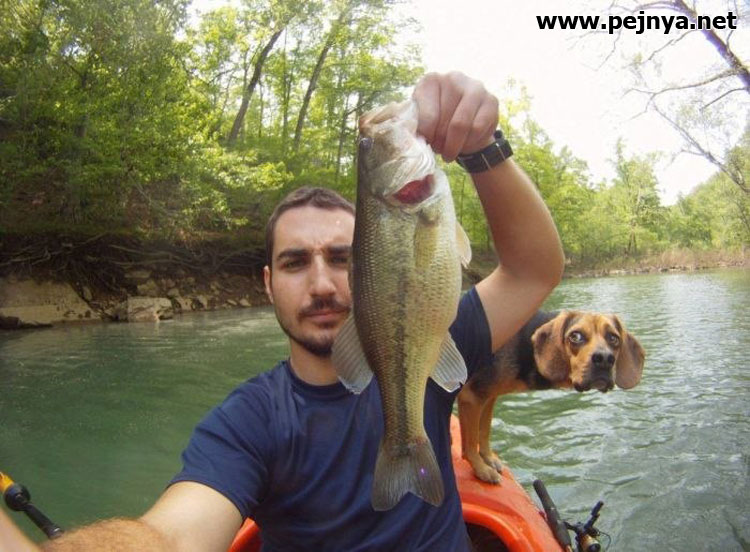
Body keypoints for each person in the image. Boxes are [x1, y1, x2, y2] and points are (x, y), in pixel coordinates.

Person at [8, 71, 564, 551]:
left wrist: (481, 148)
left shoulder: (434, 332)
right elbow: (170, 537)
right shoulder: (250, 422)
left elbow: (534, 270)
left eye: (342, 258)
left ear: (369, 265)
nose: (321, 284)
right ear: (269, 285)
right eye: (296, 263)